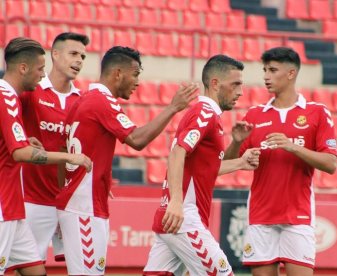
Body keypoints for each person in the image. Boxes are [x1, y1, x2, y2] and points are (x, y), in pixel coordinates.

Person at [55, 46, 198, 276]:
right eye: (136, 74)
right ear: (118, 73)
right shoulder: (103, 101)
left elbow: (64, 149)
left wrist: (90, 179)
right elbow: (136, 139)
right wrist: (173, 108)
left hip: (79, 203)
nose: (138, 81)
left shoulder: (81, 98)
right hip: (84, 207)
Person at [224, 47, 337, 276]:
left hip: (298, 216)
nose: (266, 76)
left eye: (273, 70)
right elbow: (226, 163)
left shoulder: (317, 112)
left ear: (291, 73)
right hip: (260, 215)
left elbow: (330, 163)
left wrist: (292, 147)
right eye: (265, 70)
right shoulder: (255, 115)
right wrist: (236, 142)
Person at [143, 55, 261, 276]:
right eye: (235, 84)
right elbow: (178, 152)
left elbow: (203, 170)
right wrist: (177, 202)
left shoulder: (210, 117)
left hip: (172, 217)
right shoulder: (205, 113)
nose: (240, 92)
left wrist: (240, 162)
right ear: (215, 83)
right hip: (183, 217)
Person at [0, 37, 91, 276]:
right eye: (40, 69)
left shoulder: (7, 96)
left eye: (83, 56)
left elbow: (15, 144)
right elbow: (20, 153)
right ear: (23, 68)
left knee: (36, 271)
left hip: (16, 206)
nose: (42, 75)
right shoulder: (10, 96)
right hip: (8, 204)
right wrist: (68, 158)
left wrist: (22, 140)